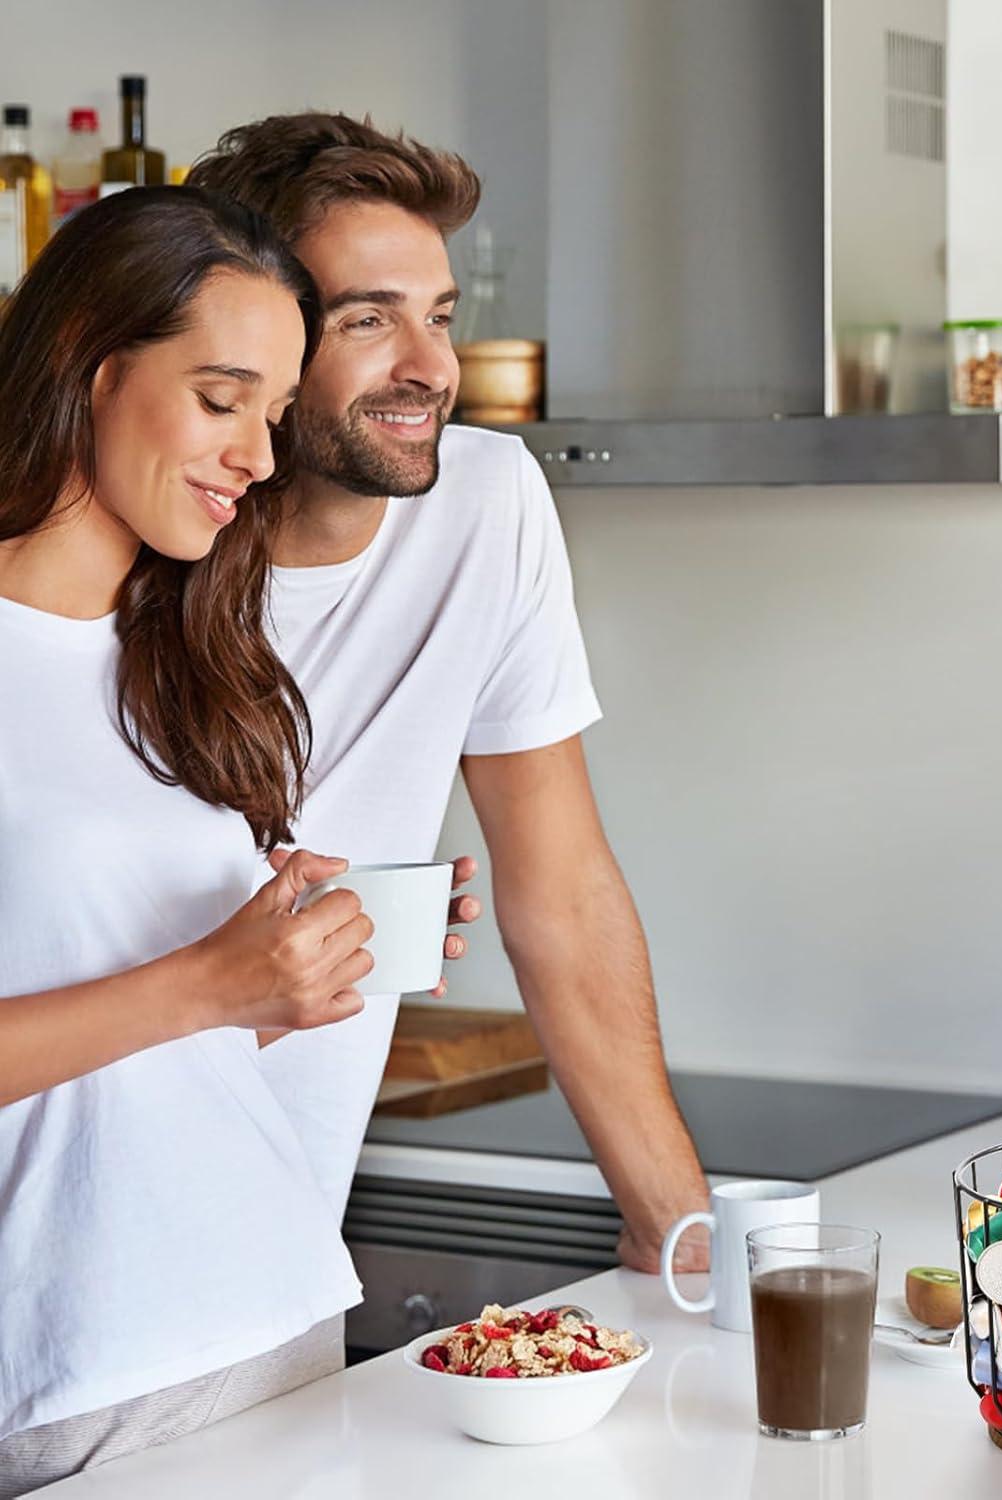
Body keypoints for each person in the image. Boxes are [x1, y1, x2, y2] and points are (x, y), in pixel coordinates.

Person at [187, 116, 712, 1270]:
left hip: (283, 1245)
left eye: (438, 316)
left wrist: (675, 1235)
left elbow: (561, 889)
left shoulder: (489, 502)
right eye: (368, 319)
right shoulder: (131, 532)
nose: (429, 368)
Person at [0, 188, 375, 1492]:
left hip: (281, 1314)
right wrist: (208, 984)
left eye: (273, 416)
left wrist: (281, 971)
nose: (260, 459)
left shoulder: (182, 665)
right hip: (84, 1373)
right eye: (223, 400)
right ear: (90, 369)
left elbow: (148, 1047)